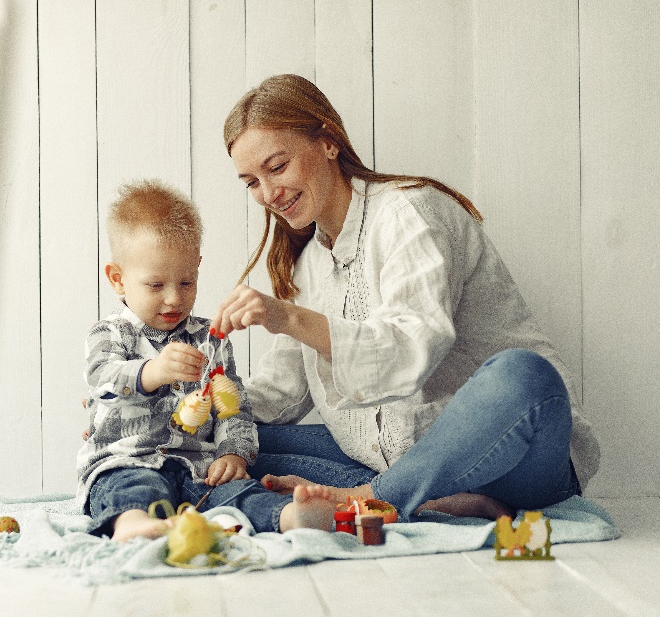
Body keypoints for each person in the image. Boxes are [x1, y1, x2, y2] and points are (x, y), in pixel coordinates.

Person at [209, 74, 601, 523]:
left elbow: (411, 349)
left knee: (524, 375)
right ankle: (434, 499)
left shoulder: (409, 213)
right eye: (251, 182)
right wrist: (195, 402)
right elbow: (281, 393)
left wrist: (290, 317)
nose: (268, 194)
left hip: (518, 459)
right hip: (397, 460)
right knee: (226, 444)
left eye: (277, 167)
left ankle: (370, 496)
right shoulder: (309, 264)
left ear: (329, 142)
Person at [77, 179, 342, 541]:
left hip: (198, 467)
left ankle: (289, 516)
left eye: (186, 282)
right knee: (132, 487)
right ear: (118, 279)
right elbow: (102, 378)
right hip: (128, 460)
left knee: (236, 493)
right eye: (156, 285)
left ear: (198, 267)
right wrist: (152, 371)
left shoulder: (209, 338)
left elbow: (234, 408)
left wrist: (234, 454)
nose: (174, 298)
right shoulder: (111, 334)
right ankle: (133, 524)